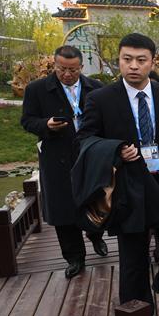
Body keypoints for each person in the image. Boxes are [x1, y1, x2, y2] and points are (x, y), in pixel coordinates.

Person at [77, 33, 159, 310]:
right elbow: (84, 140)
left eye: (141, 60)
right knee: (133, 253)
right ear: (118, 61)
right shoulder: (101, 99)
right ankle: (137, 310)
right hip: (128, 184)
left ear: (152, 62)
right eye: (127, 59)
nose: (133, 66)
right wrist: (115, 150)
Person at [21, 45, 107, 279]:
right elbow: (27, 120)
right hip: (56, 156)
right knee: (63, 209)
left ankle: (96, 237)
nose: (67, 74)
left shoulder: (96, 88)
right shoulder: (37, 89)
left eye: (73, 70)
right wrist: (45, 125)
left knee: (95, 201)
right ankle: (74, 257)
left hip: (89, 155)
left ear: (81, 67)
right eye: (61, 69)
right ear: (54, 66)